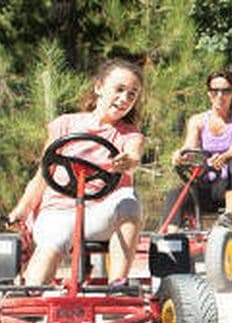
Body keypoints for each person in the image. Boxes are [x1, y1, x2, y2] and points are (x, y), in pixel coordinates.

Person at [8, 58, 146, 288]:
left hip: (100, 214)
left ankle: (118, 284)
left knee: (129, 200)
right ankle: (26, 299)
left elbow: (133, 156)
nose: (124, 99)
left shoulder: (130, 135)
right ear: (99, 87)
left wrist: (128, 161)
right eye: (119, 90)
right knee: (47, 254)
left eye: (132, 95)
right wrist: (21, 210)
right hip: (58, 211)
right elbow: (43, 174)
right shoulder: (65, 125)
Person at [163, 69, 232, 230]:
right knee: (175, 193)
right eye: (215, 91)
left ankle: (229, 216)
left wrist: (223, 157)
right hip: (208, 186)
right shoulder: (197, 121)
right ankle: (170, 238)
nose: (220, 96)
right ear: (209, 93)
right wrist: (181, 155)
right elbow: (190, 148)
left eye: (225, 91)